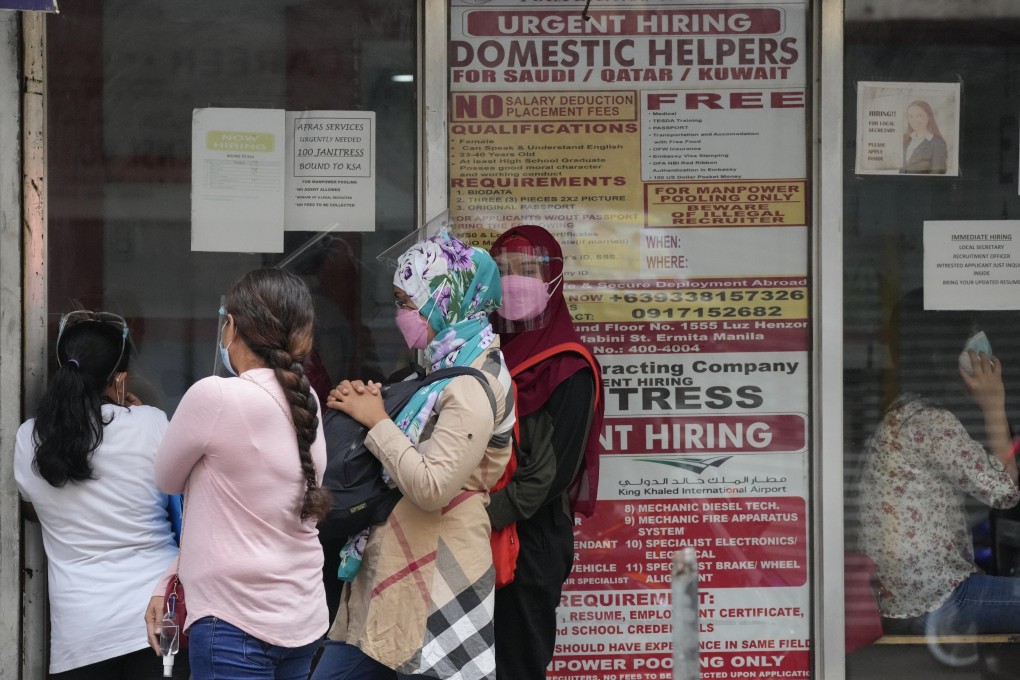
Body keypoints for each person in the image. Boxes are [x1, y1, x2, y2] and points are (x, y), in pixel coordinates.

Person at [311, 231, 515, 680]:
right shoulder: (442, 370)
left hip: (437, 577)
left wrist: (378, 420)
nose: (402, 315)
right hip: (395, 571)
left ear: (446, 299)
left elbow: (433, 486)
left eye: (408, 302)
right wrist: (368, 407)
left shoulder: (473, 383)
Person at [143, 268, 331, 679]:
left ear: (231, 326)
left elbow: (166, 479)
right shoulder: (307, 398)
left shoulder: (215, 395)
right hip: (303, 615)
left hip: (234, 620)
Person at [14, 310, 187, 679]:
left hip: (81, 635)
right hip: (157, 618)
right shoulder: (152, 423)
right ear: (120, 379)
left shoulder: (29, 438)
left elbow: (33, 508)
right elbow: (183, 492)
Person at [859, 290, 1020, 636]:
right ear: (942, 356)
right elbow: (1005, 494)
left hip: (909, 600)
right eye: (974, 349)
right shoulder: (929, 422)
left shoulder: (905, 412)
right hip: (936, 604)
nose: (986, 358)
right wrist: (994, 402)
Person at [486, 225, 605, 680]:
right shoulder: (484, 352)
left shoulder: (569, 368)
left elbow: (552, 474)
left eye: (527, 270)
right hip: (478, 536)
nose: (514, 281)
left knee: (518, 664)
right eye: (502, 271)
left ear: (553, 278)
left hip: (529, 542)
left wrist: (478, 515)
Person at [900, 99, 948, 174]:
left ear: (928, 116)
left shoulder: (938, 143)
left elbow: (938, 174)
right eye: (911, 116)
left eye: (919, 115)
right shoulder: (905, 139)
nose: (914, 120)